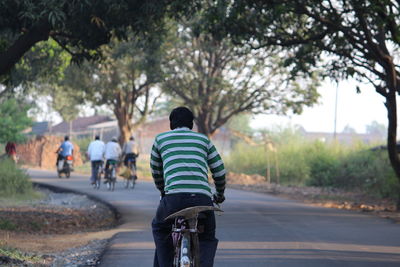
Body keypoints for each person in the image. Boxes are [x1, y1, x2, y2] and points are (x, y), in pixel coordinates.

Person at [150, 106, 226, 267]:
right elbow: (219, 171)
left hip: (172, 200)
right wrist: (219, 194)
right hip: (202, 200)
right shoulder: (203, 140)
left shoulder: (160, 139)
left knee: (160, 229)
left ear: (171, 124)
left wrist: (163, 190)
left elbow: (156, 171)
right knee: (206, 236)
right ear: (192, 124)